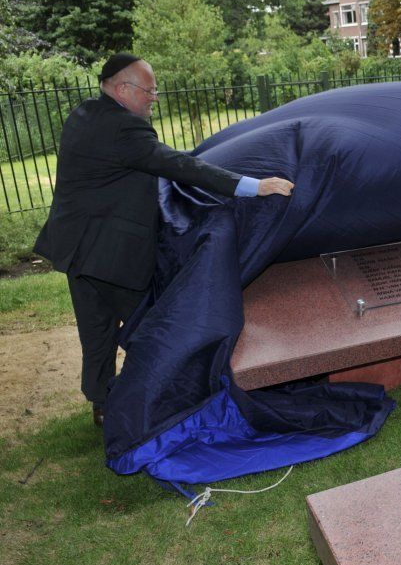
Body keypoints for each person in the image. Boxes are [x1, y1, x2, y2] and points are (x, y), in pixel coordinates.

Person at [33, 53, 295, 427]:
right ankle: (156, 401)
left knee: (96, 329)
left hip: (74, 247)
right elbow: (179, 165)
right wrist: (251, 185)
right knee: (155, 326)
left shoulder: (85, 114)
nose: (154, 98)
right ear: (123, 90)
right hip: (110, 253)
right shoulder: (125, 129)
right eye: (150, 90)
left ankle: (103, 407)